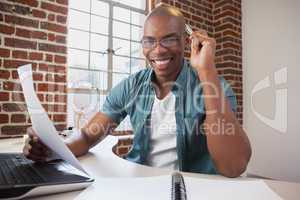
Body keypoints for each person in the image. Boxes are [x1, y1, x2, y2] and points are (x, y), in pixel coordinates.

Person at [23, 4, 251, 178]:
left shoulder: (214, 86)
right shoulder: (131, 86)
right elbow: (89, 135)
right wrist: (54, 149)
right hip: (138, 184)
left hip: (189, 188)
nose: (158, 50)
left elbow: (233, 166)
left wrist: (207, 71)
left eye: (169, 39)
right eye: (149, 41)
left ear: (186, 41)